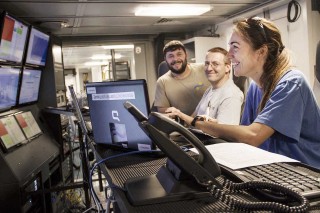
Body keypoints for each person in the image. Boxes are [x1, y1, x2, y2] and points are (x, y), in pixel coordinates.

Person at [192, 17, 320, 169]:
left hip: (307, 174)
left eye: (235, 47)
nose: (229, 55)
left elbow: (252, 136)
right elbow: (244, 135)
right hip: (275, 169)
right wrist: (217, 126)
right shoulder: (254, 87)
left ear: (261, 51)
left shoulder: (291, 82)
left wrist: (202, 125)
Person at [166, 47, 244, 125]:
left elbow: (225, 133)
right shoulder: (210, 89)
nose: (209, 68)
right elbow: (193, 118)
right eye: (207, 63)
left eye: (215, 64)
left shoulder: (231, 95)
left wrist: (181, 115)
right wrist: (178, 115)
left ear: (227, 68)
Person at [153, 40, 210, 116]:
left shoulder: (204, 69)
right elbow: (162, 110)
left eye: (179, 54)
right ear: (165, 59)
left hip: (210, 122)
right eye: (171, 56)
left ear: (186, 55)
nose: (176, 59)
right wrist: (172, 113)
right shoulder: (162, 82)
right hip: (184, 125)